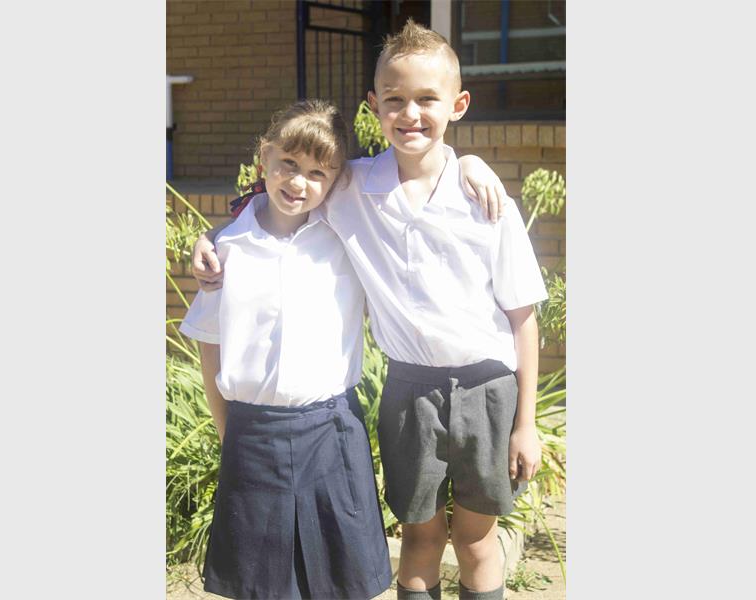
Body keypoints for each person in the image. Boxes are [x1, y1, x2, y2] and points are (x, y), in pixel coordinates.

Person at [192, 20, 547, 600]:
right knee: (420, 536)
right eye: (395, 100)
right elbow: (284, 189)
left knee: (478, 542)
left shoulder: (483, 197)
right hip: (409, 392)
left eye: (427, 99)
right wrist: (212, 238)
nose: (411, 114)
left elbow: (522, 317)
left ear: (458, 105)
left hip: (488, 390)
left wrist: (525, 424)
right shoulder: (351, 187)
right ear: (373, 106)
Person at [178, 99, 393, 600]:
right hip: (253, 437)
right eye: (289, 164)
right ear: (264, 159)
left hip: (333, 430)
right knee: (263, 589)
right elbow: (210, 344)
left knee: (342, 584)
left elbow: (408, 180)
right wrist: (228, 429)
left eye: (318, 173)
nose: (299, 182)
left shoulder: (346, 238)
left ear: (337, 180)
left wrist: (468, 165)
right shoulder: (227, 249)